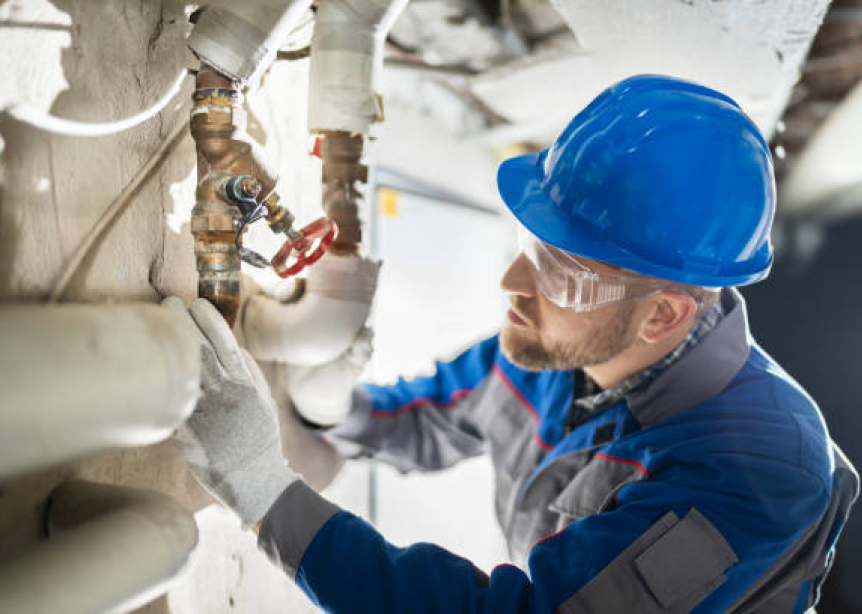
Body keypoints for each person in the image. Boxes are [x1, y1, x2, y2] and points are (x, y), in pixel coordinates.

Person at [164, 75, 859, 613]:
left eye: (559, 271)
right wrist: (326, 398)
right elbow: (425, 417)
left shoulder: (757, 471)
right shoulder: (552, 353)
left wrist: (262, 488)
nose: (512, 283)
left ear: (662, 315)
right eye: (531, 243)